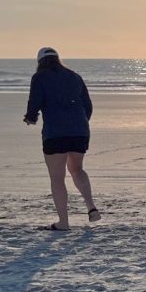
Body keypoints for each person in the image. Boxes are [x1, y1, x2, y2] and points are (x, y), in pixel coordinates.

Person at [23, 47, 101, 230]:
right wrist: (80, 123)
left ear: (40, 61)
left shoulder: (40, 77)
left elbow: (34, 101)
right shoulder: (74, 76)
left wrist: (31, 118)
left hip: (55, 132)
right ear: (58, 59)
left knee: (57, 178)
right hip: (80, 131)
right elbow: (87, 105)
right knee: (77, 169)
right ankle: (91, 207)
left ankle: (63, 222)